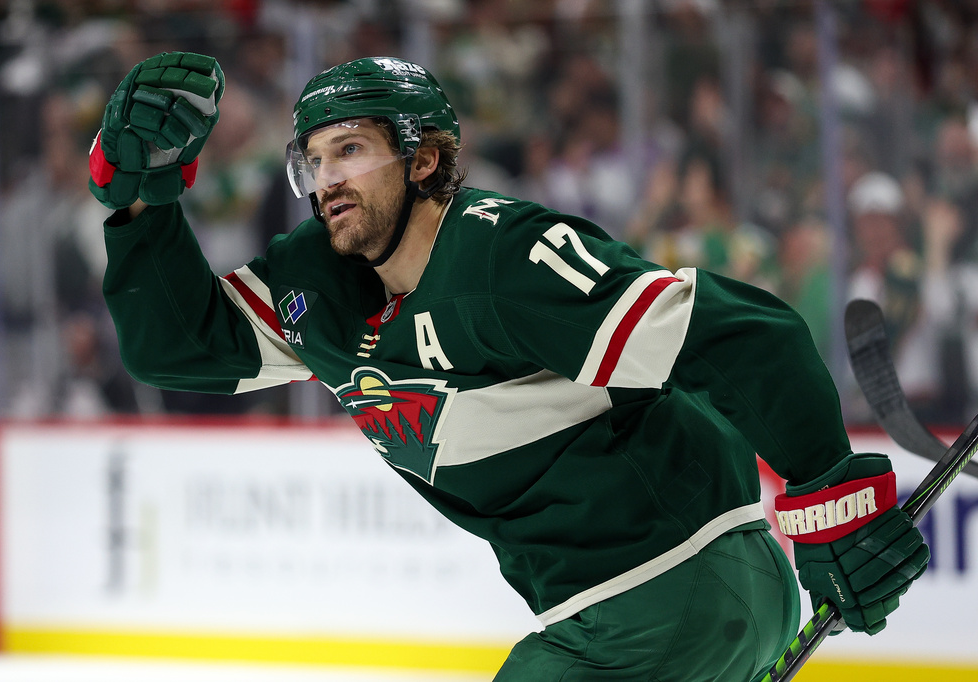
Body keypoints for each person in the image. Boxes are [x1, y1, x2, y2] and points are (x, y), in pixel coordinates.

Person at [88, 52, 929, 681]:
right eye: (313, 160)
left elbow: (738, 335)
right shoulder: (322, 284)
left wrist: (831, 499)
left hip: (681, 584)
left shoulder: (507, 258)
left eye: (350, 149)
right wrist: (140, 200)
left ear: (424, 158)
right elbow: (179, 346)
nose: (326, 181)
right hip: (601, 618)